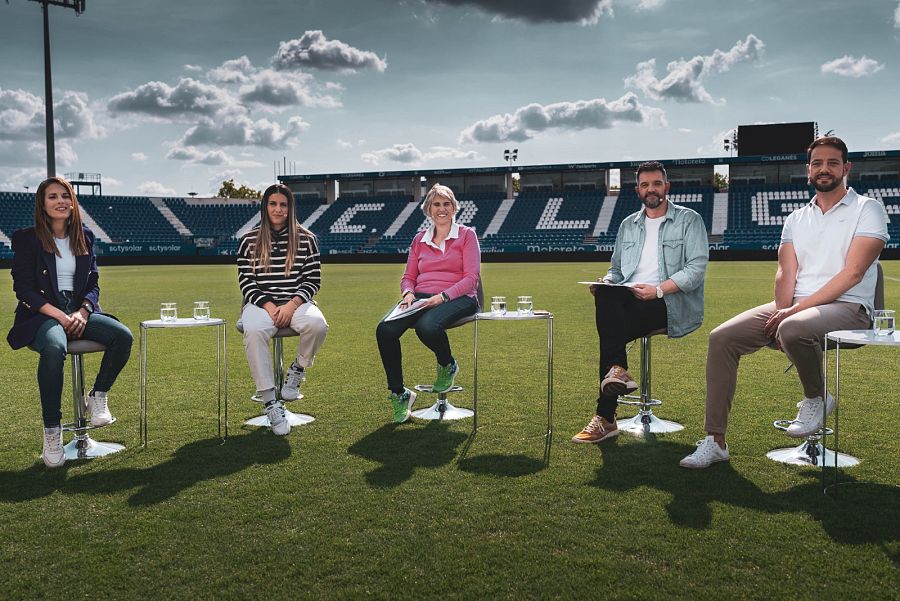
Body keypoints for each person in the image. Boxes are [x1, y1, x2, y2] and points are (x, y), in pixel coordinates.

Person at [680, 136, 889, 469]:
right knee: (722, 338)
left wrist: (791, 314)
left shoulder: (868, 209)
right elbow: (785, 272)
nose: (824, 169)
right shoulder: (796, 218)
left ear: (846, 168)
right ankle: (715, 441)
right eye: (817, 163)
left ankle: (817, 399)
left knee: (793, 326)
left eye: (833, 162)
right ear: (808, 170)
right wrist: (781, 311)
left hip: (849, 307)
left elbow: (853, 274)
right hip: (797, 308)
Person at [572, 161, 709, 443]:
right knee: (607, 295)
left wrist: (658, 290)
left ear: (666, 187)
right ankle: (617, 373)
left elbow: (695, 270)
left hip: (668, 302)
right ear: (638, 190)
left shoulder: (689, 219)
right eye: (645, 184)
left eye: (657, 183)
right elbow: (618, 269)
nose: (651, 189)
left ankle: (606, 417)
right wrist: (607, 281)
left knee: (611, 330)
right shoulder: (628, 225)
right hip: (629, 298)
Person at [7, 177, 134, 468]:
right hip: (43, 313)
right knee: (54, 348)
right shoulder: (27, 238)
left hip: (78, 310)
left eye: (65, 196)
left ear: (73, 202)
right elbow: (23, 288)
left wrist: (84, 310)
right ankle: (52, 430)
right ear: (42, 203)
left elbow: (93, 283)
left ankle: (97, 396)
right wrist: (61, 316)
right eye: (53, 196)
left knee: (122, 336)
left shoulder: (84, 235)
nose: (61, 201)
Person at [376, 183, 481, 423]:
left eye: (446, 204)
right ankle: (399, 394)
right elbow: (408, 277)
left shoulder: (466, 235)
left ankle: (448, 365)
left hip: (460, 297)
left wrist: (442, 297)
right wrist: (408, 294)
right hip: (420, 297)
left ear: (454, 208)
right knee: (385, 330)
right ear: (428, 209)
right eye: (436, 204)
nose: (441, 209)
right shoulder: (419, 239)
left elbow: (471, 278)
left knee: (427, 326)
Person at [237, 183, 328, 436]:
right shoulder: (248, 240)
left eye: (283, 204)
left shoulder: (307, 239)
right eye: (273, 204)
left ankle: (297, 369)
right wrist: (268, 304)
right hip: (259, 304)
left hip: (295, 302)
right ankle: (270, 402)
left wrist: (291, 305)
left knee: (318, 324)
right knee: (254, 331)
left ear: (290, 208)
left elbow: (313, 280)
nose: (278, 209)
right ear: (265, 207)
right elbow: (246, 281)